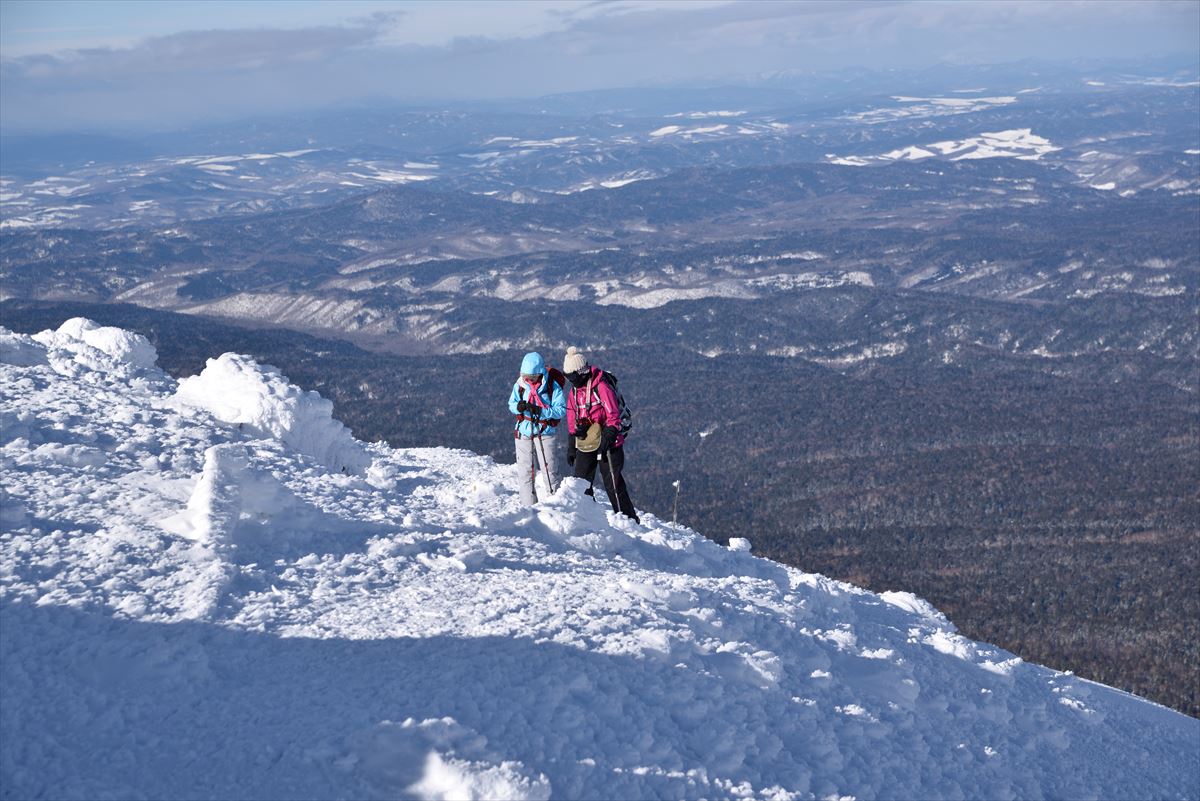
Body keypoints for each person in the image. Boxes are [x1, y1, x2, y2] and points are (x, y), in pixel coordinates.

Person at [562, 346, 639, 523]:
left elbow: (613, 415)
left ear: (581, 373)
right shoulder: (575, 392)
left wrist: (609, 436)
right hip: (587, 441)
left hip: (609, 442)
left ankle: (628, 521)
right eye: (568, 378)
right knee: (581, 482)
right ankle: (589, 519)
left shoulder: (601, 386)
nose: (571, 382)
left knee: (613, 484)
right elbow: (572, 418)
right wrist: (572, 444)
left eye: (572, 377)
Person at [508, 351, 566, 506]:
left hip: (544, 431)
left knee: (549, 471)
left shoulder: (552, 387)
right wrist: (518, 407)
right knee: (525, 472)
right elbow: (511, 404)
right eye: (526, 376)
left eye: (532, 377)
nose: (529, 380)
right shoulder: (520, 385)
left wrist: (541, 410)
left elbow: (561, 410)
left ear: (540, 373)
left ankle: (555, 506)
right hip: (523, 431)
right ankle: (528, 507)